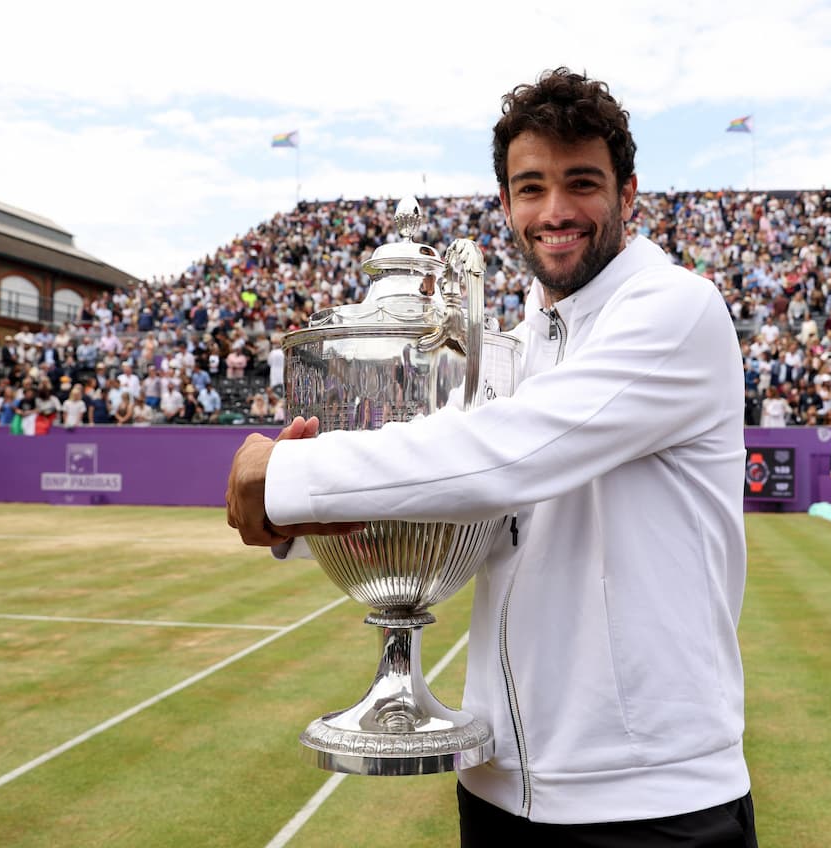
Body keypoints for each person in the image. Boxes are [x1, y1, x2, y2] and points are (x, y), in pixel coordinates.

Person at [227, 68, 756, 845]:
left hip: (650, 804)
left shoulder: (677, 309)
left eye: (583, 183)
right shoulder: (516, 345)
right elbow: (464, 509)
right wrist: (305, 523)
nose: (556, 211)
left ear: (629, 194)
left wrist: (292, 478)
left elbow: (510, 455)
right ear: (505, 204)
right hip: (496, 780)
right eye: (531, 187)